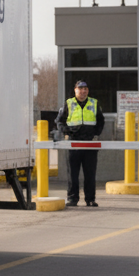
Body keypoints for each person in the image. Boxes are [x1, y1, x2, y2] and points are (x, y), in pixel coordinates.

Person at [56, 79, 105, 207]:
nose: (83, 91)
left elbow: (101, 121)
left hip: (90, 144)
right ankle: (72, 199)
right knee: (72, 174)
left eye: (85, 89)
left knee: (90, 173)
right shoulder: (69, 103)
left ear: (87, 91)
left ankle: (90, 199)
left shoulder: (94, 103)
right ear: (75, 90)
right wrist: (67, 131)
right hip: (74, 144)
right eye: (80, 89)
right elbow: (59, 121)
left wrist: (96, 134)